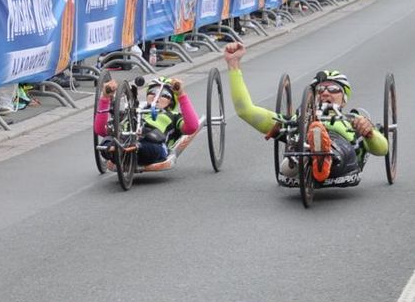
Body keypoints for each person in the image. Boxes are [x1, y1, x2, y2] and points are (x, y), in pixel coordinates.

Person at [224, 42, 388, 185]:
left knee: (338, 149)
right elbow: (245, 110)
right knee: (297, 136)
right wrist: (233, 65)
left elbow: (382, 149)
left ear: (344, 99)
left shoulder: (354, 120)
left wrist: (369, 134)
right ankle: (305, 154)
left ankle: (323, 153)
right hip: (303, 139)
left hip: (342, 153)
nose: (325, 93)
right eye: (320, 90)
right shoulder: (296, 120)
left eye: (333, 89)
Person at [94, 77, 200, 166]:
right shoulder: (133, 111)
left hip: (153, 146)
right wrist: (105, 97)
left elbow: (192, 127)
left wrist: (181, 94)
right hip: (124, 140)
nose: (156, 96)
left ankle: (132, 148)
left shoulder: (174, 115)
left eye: (164, 94)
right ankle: (115, 149)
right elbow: (100, 130)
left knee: (151, 146)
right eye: (152, 92)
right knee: (107, 140)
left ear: (171, 101)